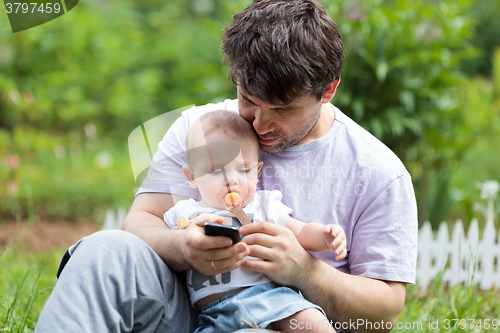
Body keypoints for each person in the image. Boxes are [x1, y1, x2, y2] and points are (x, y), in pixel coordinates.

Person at [35, 1, 417, 332]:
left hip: (277, 321)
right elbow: (141, 222)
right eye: (248, 99)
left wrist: (306, 271)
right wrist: (184, 246)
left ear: (328, 90)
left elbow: (384, 312)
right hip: (184, 311)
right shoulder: (199, 128)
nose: (259, 124)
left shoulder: (378, 173)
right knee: (105, 249)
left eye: (282, 109)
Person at [165, 110, 346, 332]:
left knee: (314, 323)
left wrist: (326, 236)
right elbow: (165, 248)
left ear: (257, 171)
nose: (231, 180)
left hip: (273, 297)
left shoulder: (263, 205)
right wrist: (186, 237)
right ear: (192, 177)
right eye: (215, 171)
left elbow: (301, 233)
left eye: (243, 169)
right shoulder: (185, 212)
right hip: (215, 313)